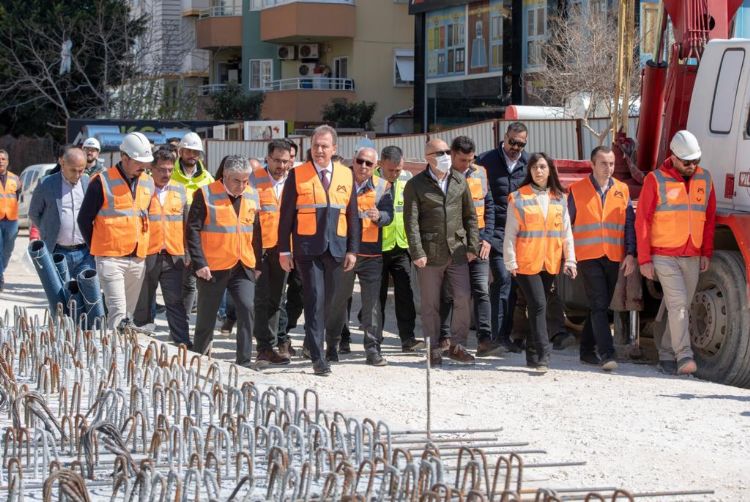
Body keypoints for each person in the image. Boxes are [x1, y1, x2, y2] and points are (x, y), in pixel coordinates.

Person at [277, 125, 359, 376]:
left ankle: (316, 343)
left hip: (336, 247)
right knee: (314, 297)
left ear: (334, 149)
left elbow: (353, 215)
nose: (319, 150)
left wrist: (352, 250)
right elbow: (286, 215)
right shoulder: (297, 174)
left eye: (324, 146)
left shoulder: (347, 174)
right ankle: (317, 356)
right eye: (315, 146)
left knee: (331, 301)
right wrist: (284, 250)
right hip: (307, 248)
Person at [635, 130, 715, 376]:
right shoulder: (655, 180)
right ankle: (684, 356)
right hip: (664, 255)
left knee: (680, 306)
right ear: (674, 157)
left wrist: (706, 252)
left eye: (696, 161)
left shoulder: (706, 179)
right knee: (679, 304)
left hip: (692, 255)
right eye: (687, 162)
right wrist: (645, 258)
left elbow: (709, 218)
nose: (692, 166)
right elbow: (643, 222)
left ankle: (667, 354)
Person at [404, 138, 479, 366]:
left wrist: (473, 246)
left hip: (457, 252)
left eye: (447, 151)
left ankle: (458, 345)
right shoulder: (416, 185)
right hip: (429, 253)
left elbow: (470, 216)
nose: (446, 156)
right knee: (430, 305)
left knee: (463, 298)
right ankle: (433, 349)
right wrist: (417, 251)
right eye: (440, 153)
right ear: (428, 157)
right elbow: (411, 222)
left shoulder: (459, 180)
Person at [187, 155, 262, 367]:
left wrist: (258, 265)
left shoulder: (252, 196)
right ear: (225, 176)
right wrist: (199, 263)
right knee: (206, 316)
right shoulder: (206, 194)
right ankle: (198, 358)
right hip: (213, 266)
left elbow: (256, 232)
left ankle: (244, 361)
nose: (242, 185)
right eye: (237, 180)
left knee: (247, 308)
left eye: (246, 180)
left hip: (243, 264)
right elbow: (192, 230)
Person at [504, 152, 576, 372]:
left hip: (549, 263)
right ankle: (544, 354)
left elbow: (566, 232)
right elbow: (510, 233)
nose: (539, 171)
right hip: (526, 262)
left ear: (550, 170)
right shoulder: (518, 197)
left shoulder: (559, 197)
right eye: (535, 167)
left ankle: (532, 355)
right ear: (530, 171)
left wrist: (570, 259)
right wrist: (510, 261)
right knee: (538, 305)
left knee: (537, 307)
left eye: (543, 167)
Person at [569, 146, 637, 371]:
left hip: (614, 255)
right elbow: (566, 227)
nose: (608, 168)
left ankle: (586, 350)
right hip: (587, 256)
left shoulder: (623, 190)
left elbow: (629, 224)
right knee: (599, 303)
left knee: (603, 306)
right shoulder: (577, 190)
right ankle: (607, 353)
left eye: (611, 164)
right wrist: (567, 257)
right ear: (592, 164)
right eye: (603, 164)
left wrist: (630, 253)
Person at [78, 132, 155, 330]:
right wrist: (98, 247)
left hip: (137, 259)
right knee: (118, 312)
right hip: (110, 259)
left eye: (145, 163)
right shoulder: (101, 182)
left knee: (128, 315)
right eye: (138, 162)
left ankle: (122, 350)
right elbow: (84, 219)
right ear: (124, 157)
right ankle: (114, 354)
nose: (142, 167)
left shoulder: (148, 182)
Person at [326, 147, 394, 365]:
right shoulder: (339, 182)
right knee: (338, 301)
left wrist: (380, 216)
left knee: (372, 304)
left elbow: (389, 215)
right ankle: (333, 345)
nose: (363, 166)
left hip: (371, 255)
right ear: (353, 161)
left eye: (368, 163)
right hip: (344, 252)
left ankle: (372, 349)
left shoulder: (383, 186)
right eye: (360, 161)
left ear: (375, 167)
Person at [440, 136, 502, 357]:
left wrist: (487, 239)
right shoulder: (443, 176)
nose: (467, 164)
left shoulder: (480, 173)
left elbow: (489, 207)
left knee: (481, 290)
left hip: (479, 243)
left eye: (470, 159)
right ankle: (445, 338)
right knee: (451, 293)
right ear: (452, 155)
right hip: (454, 245)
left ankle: (484, 340)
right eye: (462, 160)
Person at [478, 122, 529, 353]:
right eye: (512, 142)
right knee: (503, 280)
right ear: (504, 137)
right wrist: (484, 234)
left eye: (520, 144)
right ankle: (495, 336)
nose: (515, 147)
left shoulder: (528, 164)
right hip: (496, 231)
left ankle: (506, 335)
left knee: (515, 287)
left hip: (520, 234)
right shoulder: (486, 161)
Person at [133, 148, 191, 347]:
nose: (166, 174)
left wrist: (188, 252)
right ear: (151, 168)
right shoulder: (142, 189)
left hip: (173, 255)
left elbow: (186, 223)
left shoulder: (180, 190)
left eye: (169, 170)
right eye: (161, 170)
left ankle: (182, 341)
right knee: (144, 301)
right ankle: (140, 339)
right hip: (147, 253)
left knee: (175, 301)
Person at [250, 139, 294, 367]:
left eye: (285, 161)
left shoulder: (293, 181)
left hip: (283, 250)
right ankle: (264, 348)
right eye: (277, 160)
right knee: (261, 298)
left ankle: (273, 343)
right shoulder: (253, 179)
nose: (281, 166)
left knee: (277, 299)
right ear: (267, 158)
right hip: (258, 249)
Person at [375, 146, 422, 352]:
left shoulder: (407, 178)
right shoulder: (371, 181)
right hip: (377, 248)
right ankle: (374, 339)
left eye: (398, 170)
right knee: (377, 296)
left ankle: (407, 338)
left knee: (406, 294)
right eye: (390, 170)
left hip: (401, 246)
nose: (395, 174)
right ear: (381, 164)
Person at [29, 146, 94, 278]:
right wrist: (47, 230)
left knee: (87, 293)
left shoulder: (88, 182)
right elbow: (34, 213)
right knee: (61, 295)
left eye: (81, 170)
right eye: (73, 170)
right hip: (57, 252)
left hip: (85, 253)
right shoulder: (46, 184)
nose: (77, 175)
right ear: (62, 162)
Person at [170, 132, 214, 319]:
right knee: (171, 284)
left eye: (196, 152)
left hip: (196, 238)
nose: (192, 155)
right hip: (171, 237)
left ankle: (183, 323)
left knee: (189, 284)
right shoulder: (169, 174)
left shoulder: (207, 178)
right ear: (181, 151)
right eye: (188, 150)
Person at [0, 150, 20, 290]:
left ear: (7, 161)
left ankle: (1, 269)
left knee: (8, 250)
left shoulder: (15, 179)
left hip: (11, 219)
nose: (0, 161)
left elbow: (18, 197)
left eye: (3, 158)